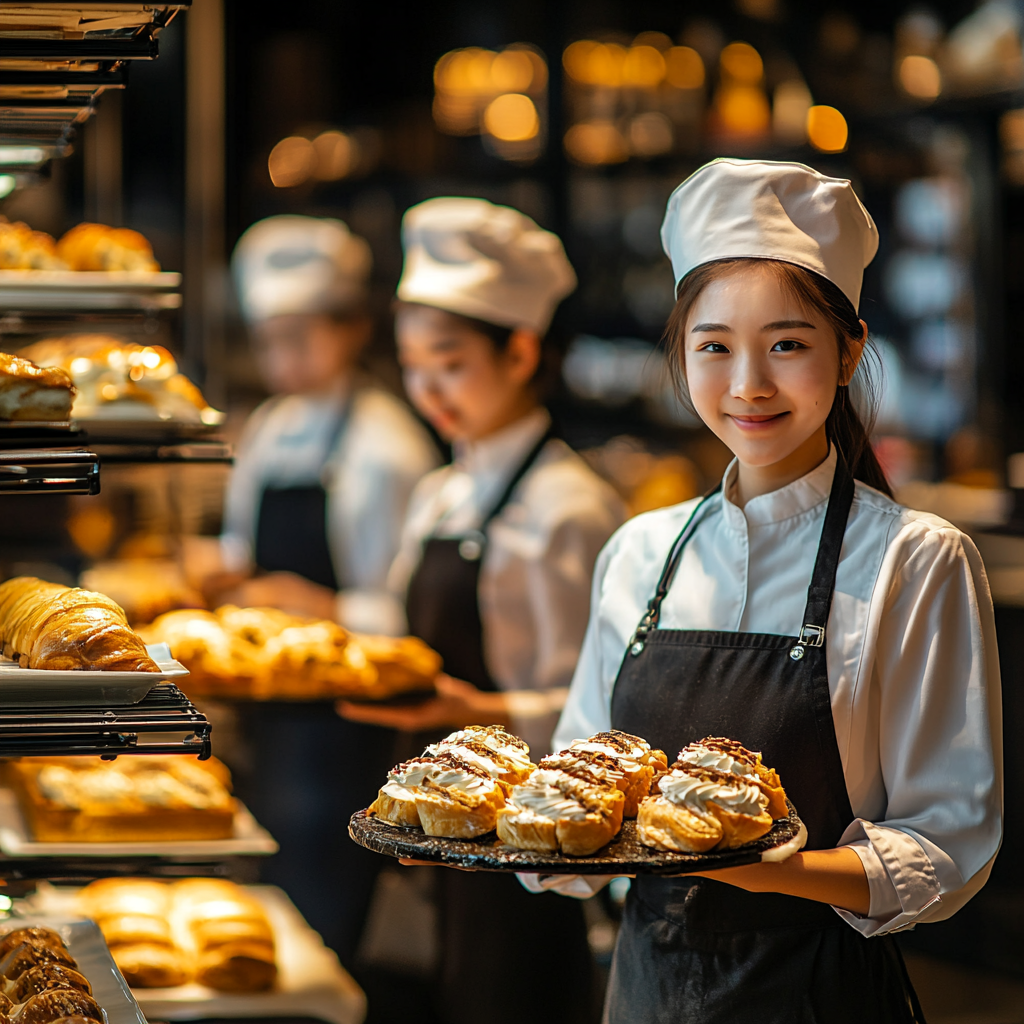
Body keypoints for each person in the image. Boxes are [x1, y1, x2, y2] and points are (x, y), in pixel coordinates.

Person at [524, 159, 1003, 1023]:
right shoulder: (640, 551)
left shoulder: (916, 560)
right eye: (714, 347)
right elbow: (580, 791)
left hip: (818, 996)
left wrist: (764, 869)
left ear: (850, 347)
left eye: (786, 343)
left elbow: (948, 848)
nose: (747, 383)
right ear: (680, 353)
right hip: (643, 995)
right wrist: (495, 835)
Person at [340, 197, 627, 1024]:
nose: (429, 389)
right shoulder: (440, 493)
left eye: (451, 362)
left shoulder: (568, 507)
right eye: (413, 365)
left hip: (524, 849)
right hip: (427, 830)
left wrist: (484, 711)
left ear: (521, 350)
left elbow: (604, 719)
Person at [219, 215, 438, 966]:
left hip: (345, 732)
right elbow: (241, 552)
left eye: (298, 335)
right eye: (268, 338)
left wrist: (308, 604)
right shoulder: (273, 427)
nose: (280, 356)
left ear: (349, 330)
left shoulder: (384, 447)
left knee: (322, 929)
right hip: (270, 719)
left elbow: (406, 618)